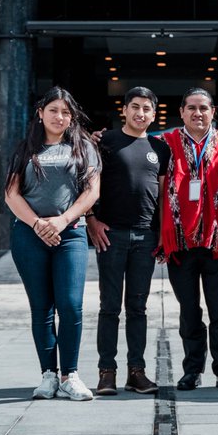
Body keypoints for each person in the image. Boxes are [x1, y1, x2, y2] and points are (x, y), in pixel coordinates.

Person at [3, 87, 101, 401]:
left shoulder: (83, 147)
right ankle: (48, 375)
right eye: (53, 110)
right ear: (40, 113)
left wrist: (62, 221)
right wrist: (38, 224)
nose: (59, 117)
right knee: (42, 307)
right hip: (29, 235)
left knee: (70, 305)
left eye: (65, 112)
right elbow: (11, 195)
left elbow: (92, 191)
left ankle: (70, 376)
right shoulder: (25, 149)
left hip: (70, 233)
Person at [157, 88, 218, 392]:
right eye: (192, 108)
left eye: (204, 108)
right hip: (180, 242)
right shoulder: (164, 144)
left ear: (213, 112)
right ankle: (192, 370)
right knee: (189, 312)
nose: (198, 113)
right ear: (181, 112)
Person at [87, 87, 169, 396]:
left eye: (146, 108)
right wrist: (91, 220)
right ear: (124, 110)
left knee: (138, 307)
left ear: (154, 114)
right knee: (109, 307)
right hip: (112, 236)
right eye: (134, 106)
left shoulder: (159, 148)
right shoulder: (104, 142)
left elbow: (163, 196)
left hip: (145, 236)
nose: (140, 113)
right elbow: (87, 184)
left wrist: (162, 234)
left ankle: (137, 372)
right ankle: (106, 372)